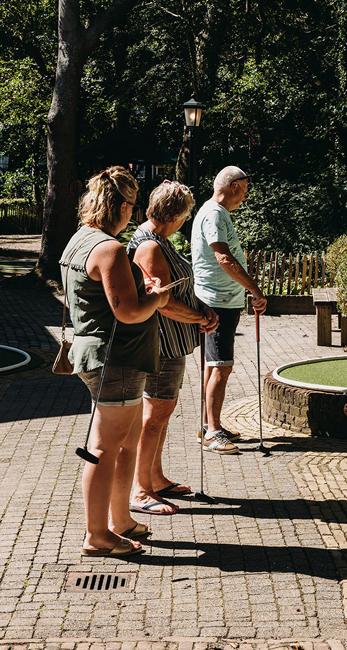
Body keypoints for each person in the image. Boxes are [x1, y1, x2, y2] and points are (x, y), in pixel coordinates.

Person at [59, 166, 170, 557]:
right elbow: (128, 312)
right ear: (122, 205)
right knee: (105, 447)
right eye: (133, 206)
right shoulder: (109, 249)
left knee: (124, 444)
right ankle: (97, 535)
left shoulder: (78, 240)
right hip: (115, 360)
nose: (134, 215)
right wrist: (158, 295)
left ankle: (121, 521)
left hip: (100, 357)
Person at [127, 180, 219, 514]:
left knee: (161, 414)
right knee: (155, 415)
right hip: (161, 343)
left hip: (171, 342)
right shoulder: (150, 247)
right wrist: (198, 318)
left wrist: (200, 308)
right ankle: (139, 490)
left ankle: (155, 478)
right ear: (176, 215)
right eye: (185, 214)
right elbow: (162, 303)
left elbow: (177, 289)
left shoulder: (159, 240)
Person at [191, 166, 267, 453]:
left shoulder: (216, 213)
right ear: (234, 186)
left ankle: (210, 425)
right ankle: (212, 434)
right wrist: (254, 289)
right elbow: (223, 258)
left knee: (214, 366)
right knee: (222, 367)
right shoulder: (214, 213)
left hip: (222, 300)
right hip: (218, 302)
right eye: (244, 190)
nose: (244, 198)